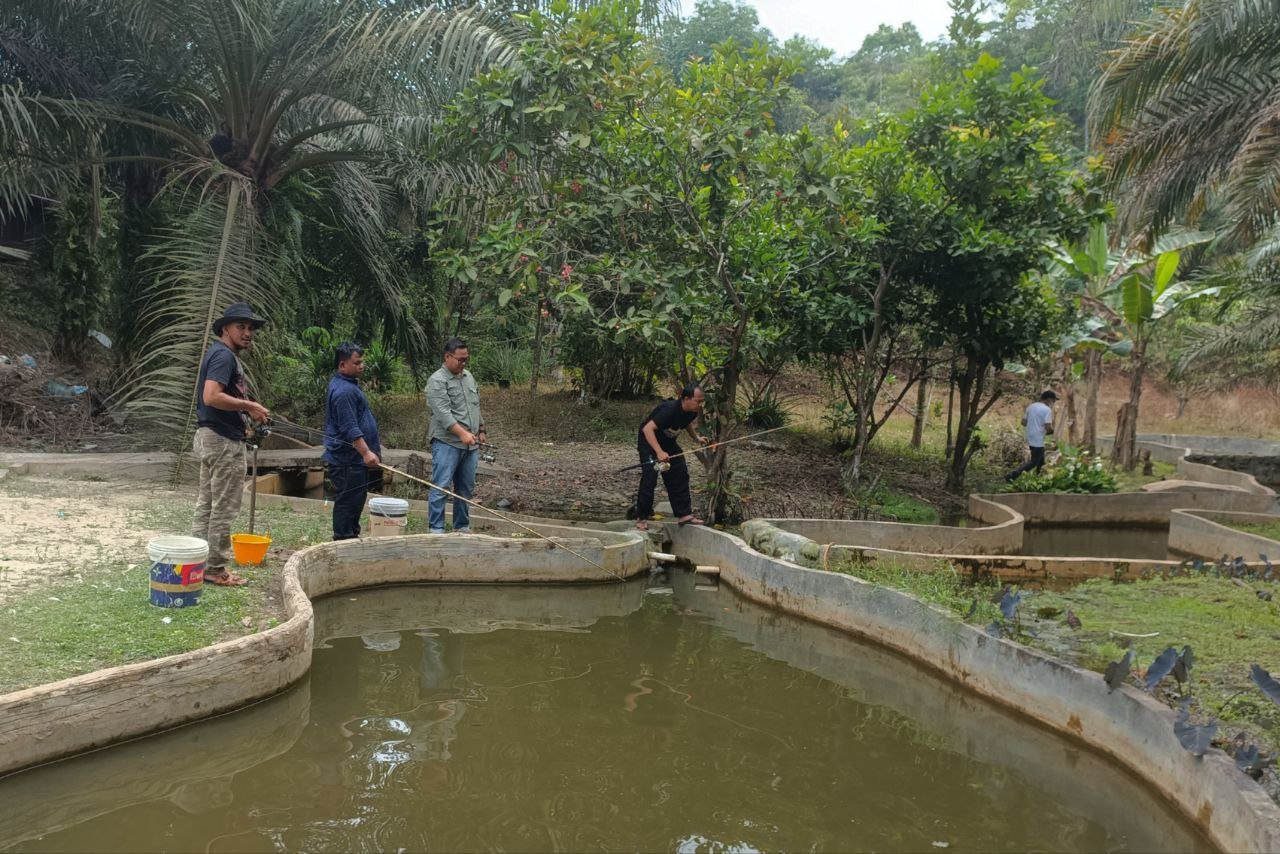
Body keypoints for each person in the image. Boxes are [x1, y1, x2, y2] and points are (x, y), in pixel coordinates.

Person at [191, 302, 269, 586]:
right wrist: (249, 406)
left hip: (211, 437)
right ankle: (215, 569)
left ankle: (196, 562)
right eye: (241, 327)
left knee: (207, 504)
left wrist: (247, 415)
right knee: (224, 506)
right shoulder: (223, 356)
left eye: (250, 328)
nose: (248, 333)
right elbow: (212, 396)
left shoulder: (220, 354)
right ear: (226, 329)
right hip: (222, 441)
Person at [425, 338, 486, 534]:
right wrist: (462, 433)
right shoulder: (437, 380)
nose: (463, 363)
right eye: (460, 360)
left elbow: (474, 404)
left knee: (465, 489)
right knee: (441, 486)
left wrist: (481, 428)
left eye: (466, 359)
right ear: (447, 357)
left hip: (470, 444)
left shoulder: (468, 376)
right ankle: (436, 529)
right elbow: (443, 413)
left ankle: (461, 526)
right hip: (447, 442)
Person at [323, 343, 382, 540]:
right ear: (342, 365)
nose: (362, 365)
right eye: (357, 362)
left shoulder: (348, 385)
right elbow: (350, 428)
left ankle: (351, 537)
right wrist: (366, 452)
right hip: (347, 458)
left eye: (362, 361)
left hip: (353, 460)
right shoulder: (344, 392)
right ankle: (343, 539)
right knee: (348, 501)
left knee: (356, 500)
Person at [634, 384, 710, 531]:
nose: (699, 405)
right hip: (649, 442)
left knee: (679, 470)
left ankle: (684, 514)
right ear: (686, 398)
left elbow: (687, 424)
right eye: (697, 401)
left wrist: (696, 438)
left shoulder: (692, 411)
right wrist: (659, 452)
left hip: (667, 442)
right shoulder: (669, 410)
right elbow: (647, 429)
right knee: (650, 476)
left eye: (701, 402)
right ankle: (642, 517)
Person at [1006, 388, 1058, 482]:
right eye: (1053, 401)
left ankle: (1039, 479)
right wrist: (1052, 431)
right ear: (1049, 399)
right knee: (1034, 462)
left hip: (1030, 437)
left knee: (1041, 460)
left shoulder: (1031, 406)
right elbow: (1048, 427)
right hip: (1038, 438)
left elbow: (1023, 422)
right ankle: (1013, 475)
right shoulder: (1047, 410)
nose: (1053, 403)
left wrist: (1034, 423)